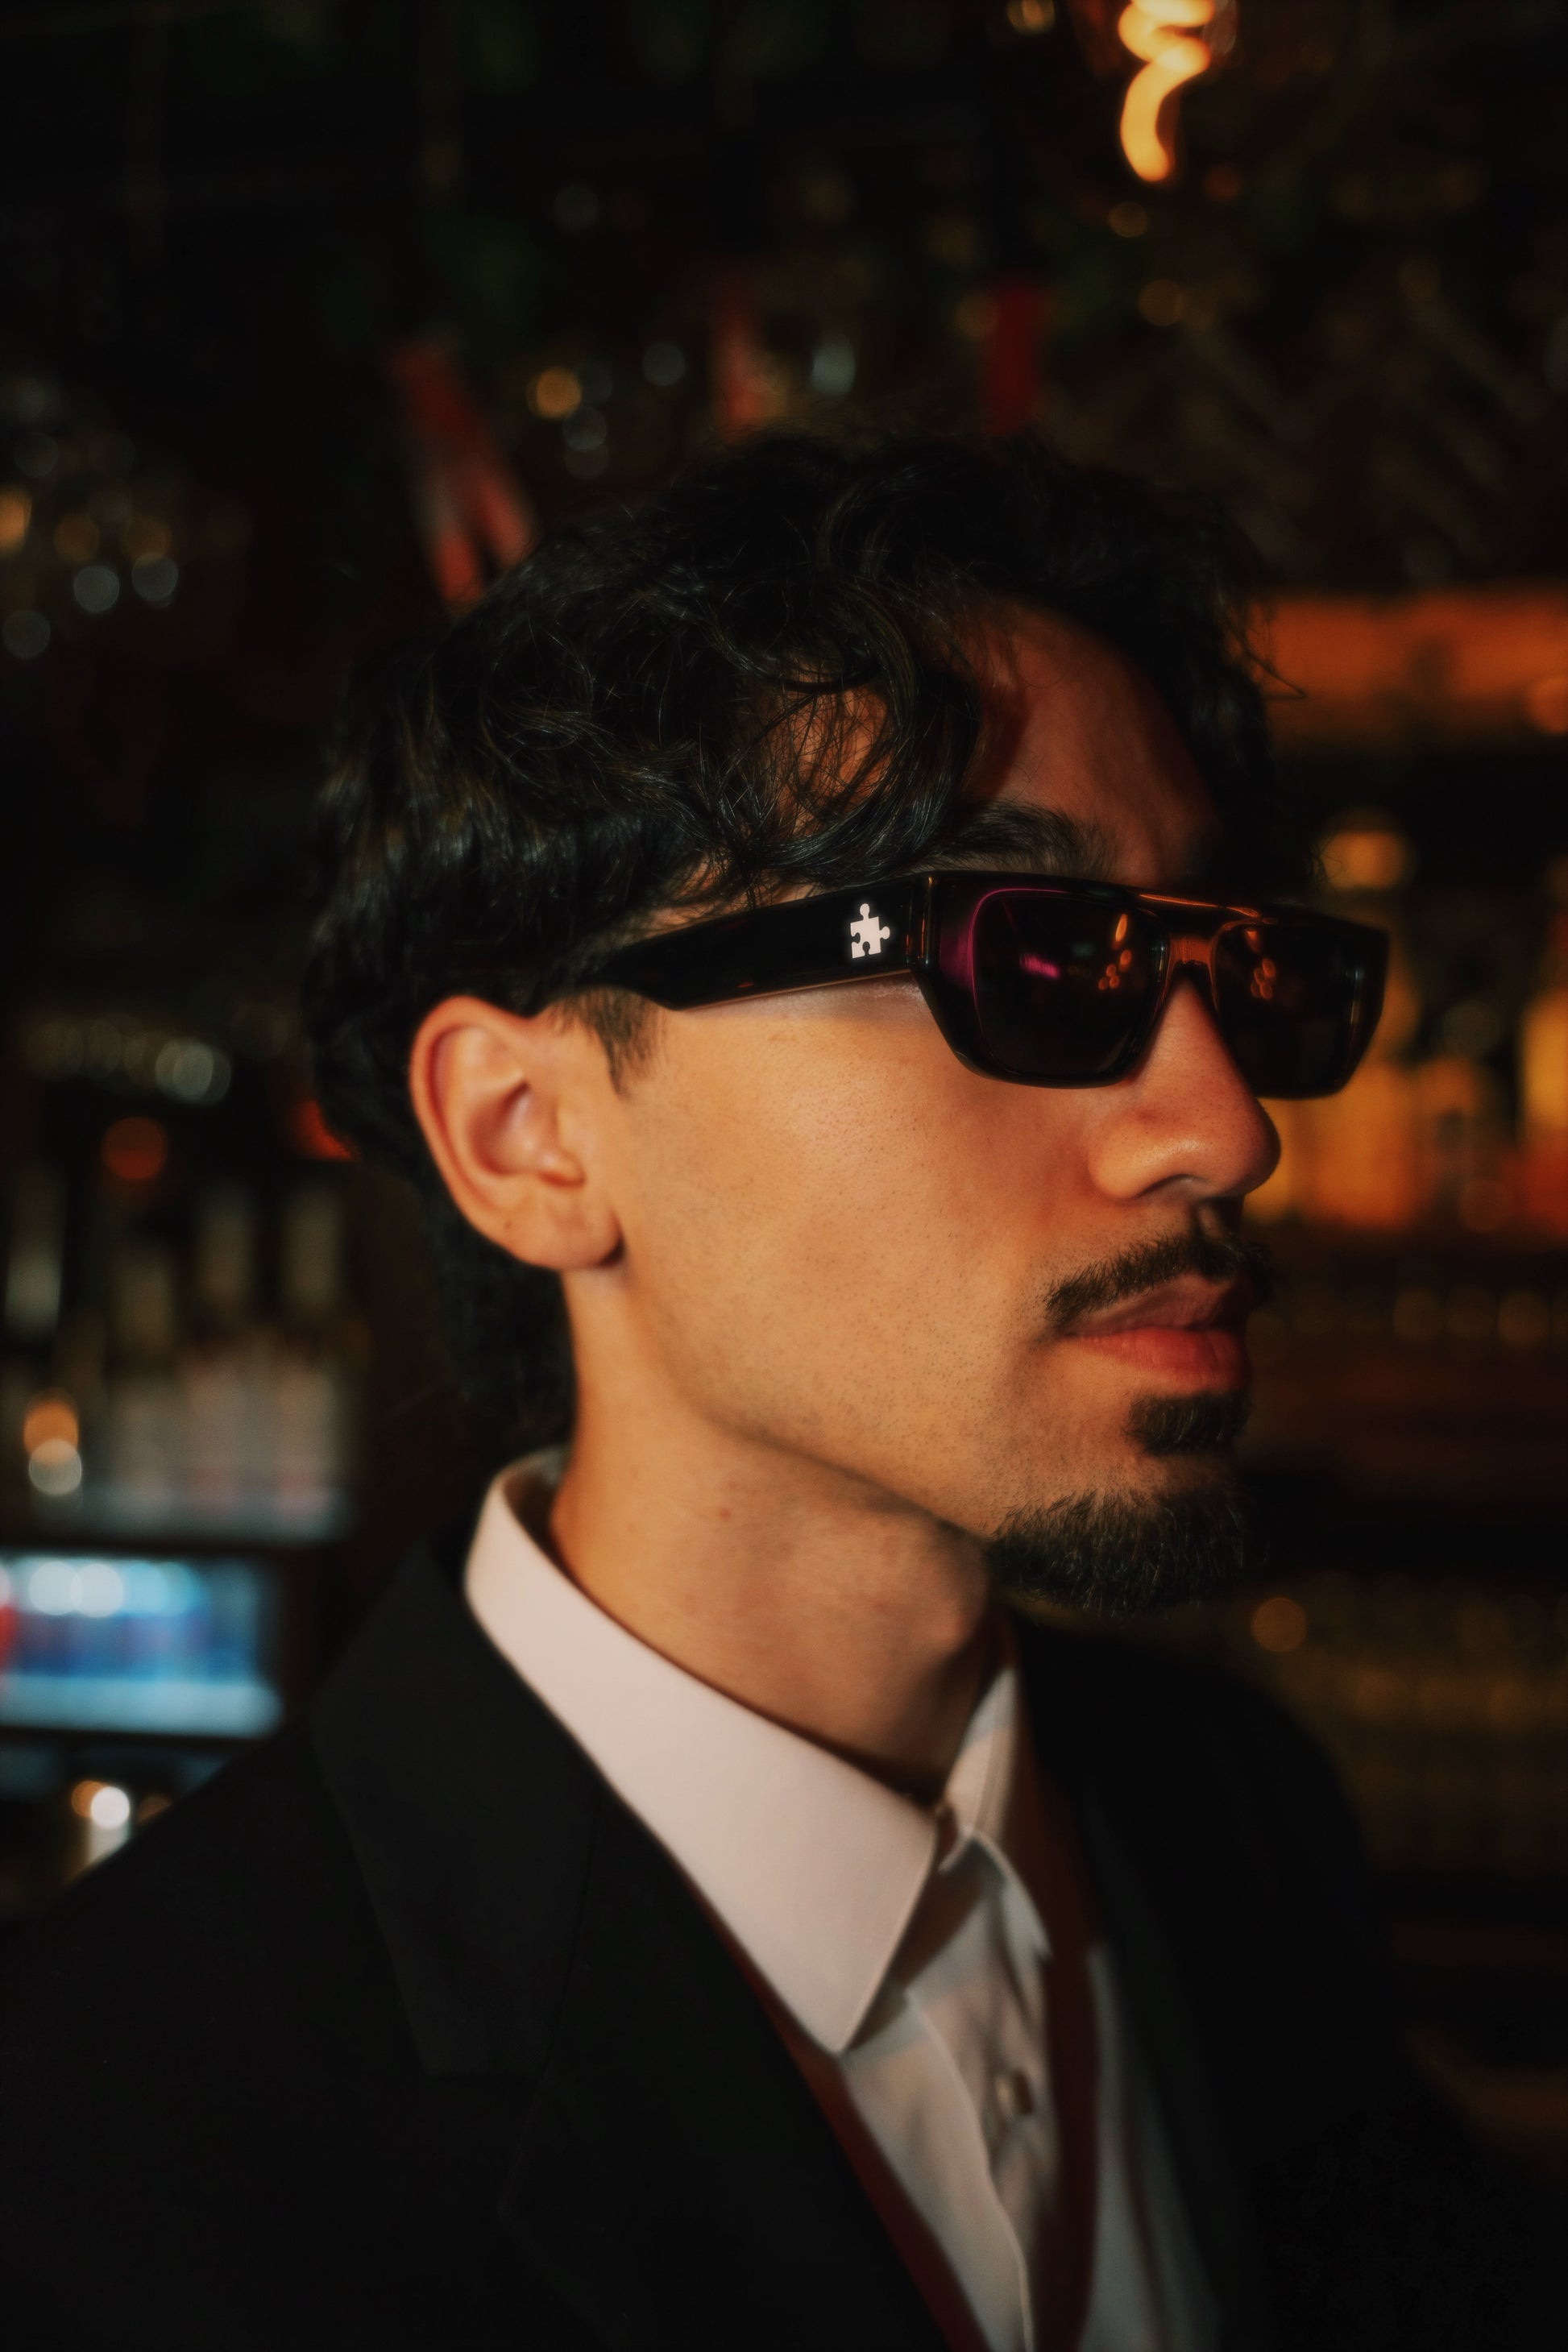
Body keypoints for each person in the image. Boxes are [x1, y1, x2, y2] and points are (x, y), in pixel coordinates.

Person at [0, 432, 1552, 2351]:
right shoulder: (131, 2133)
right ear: (529, 1135)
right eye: (1028, 956)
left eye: (1238, 977)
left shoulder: (1232, 1816)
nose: (1226, 1128)